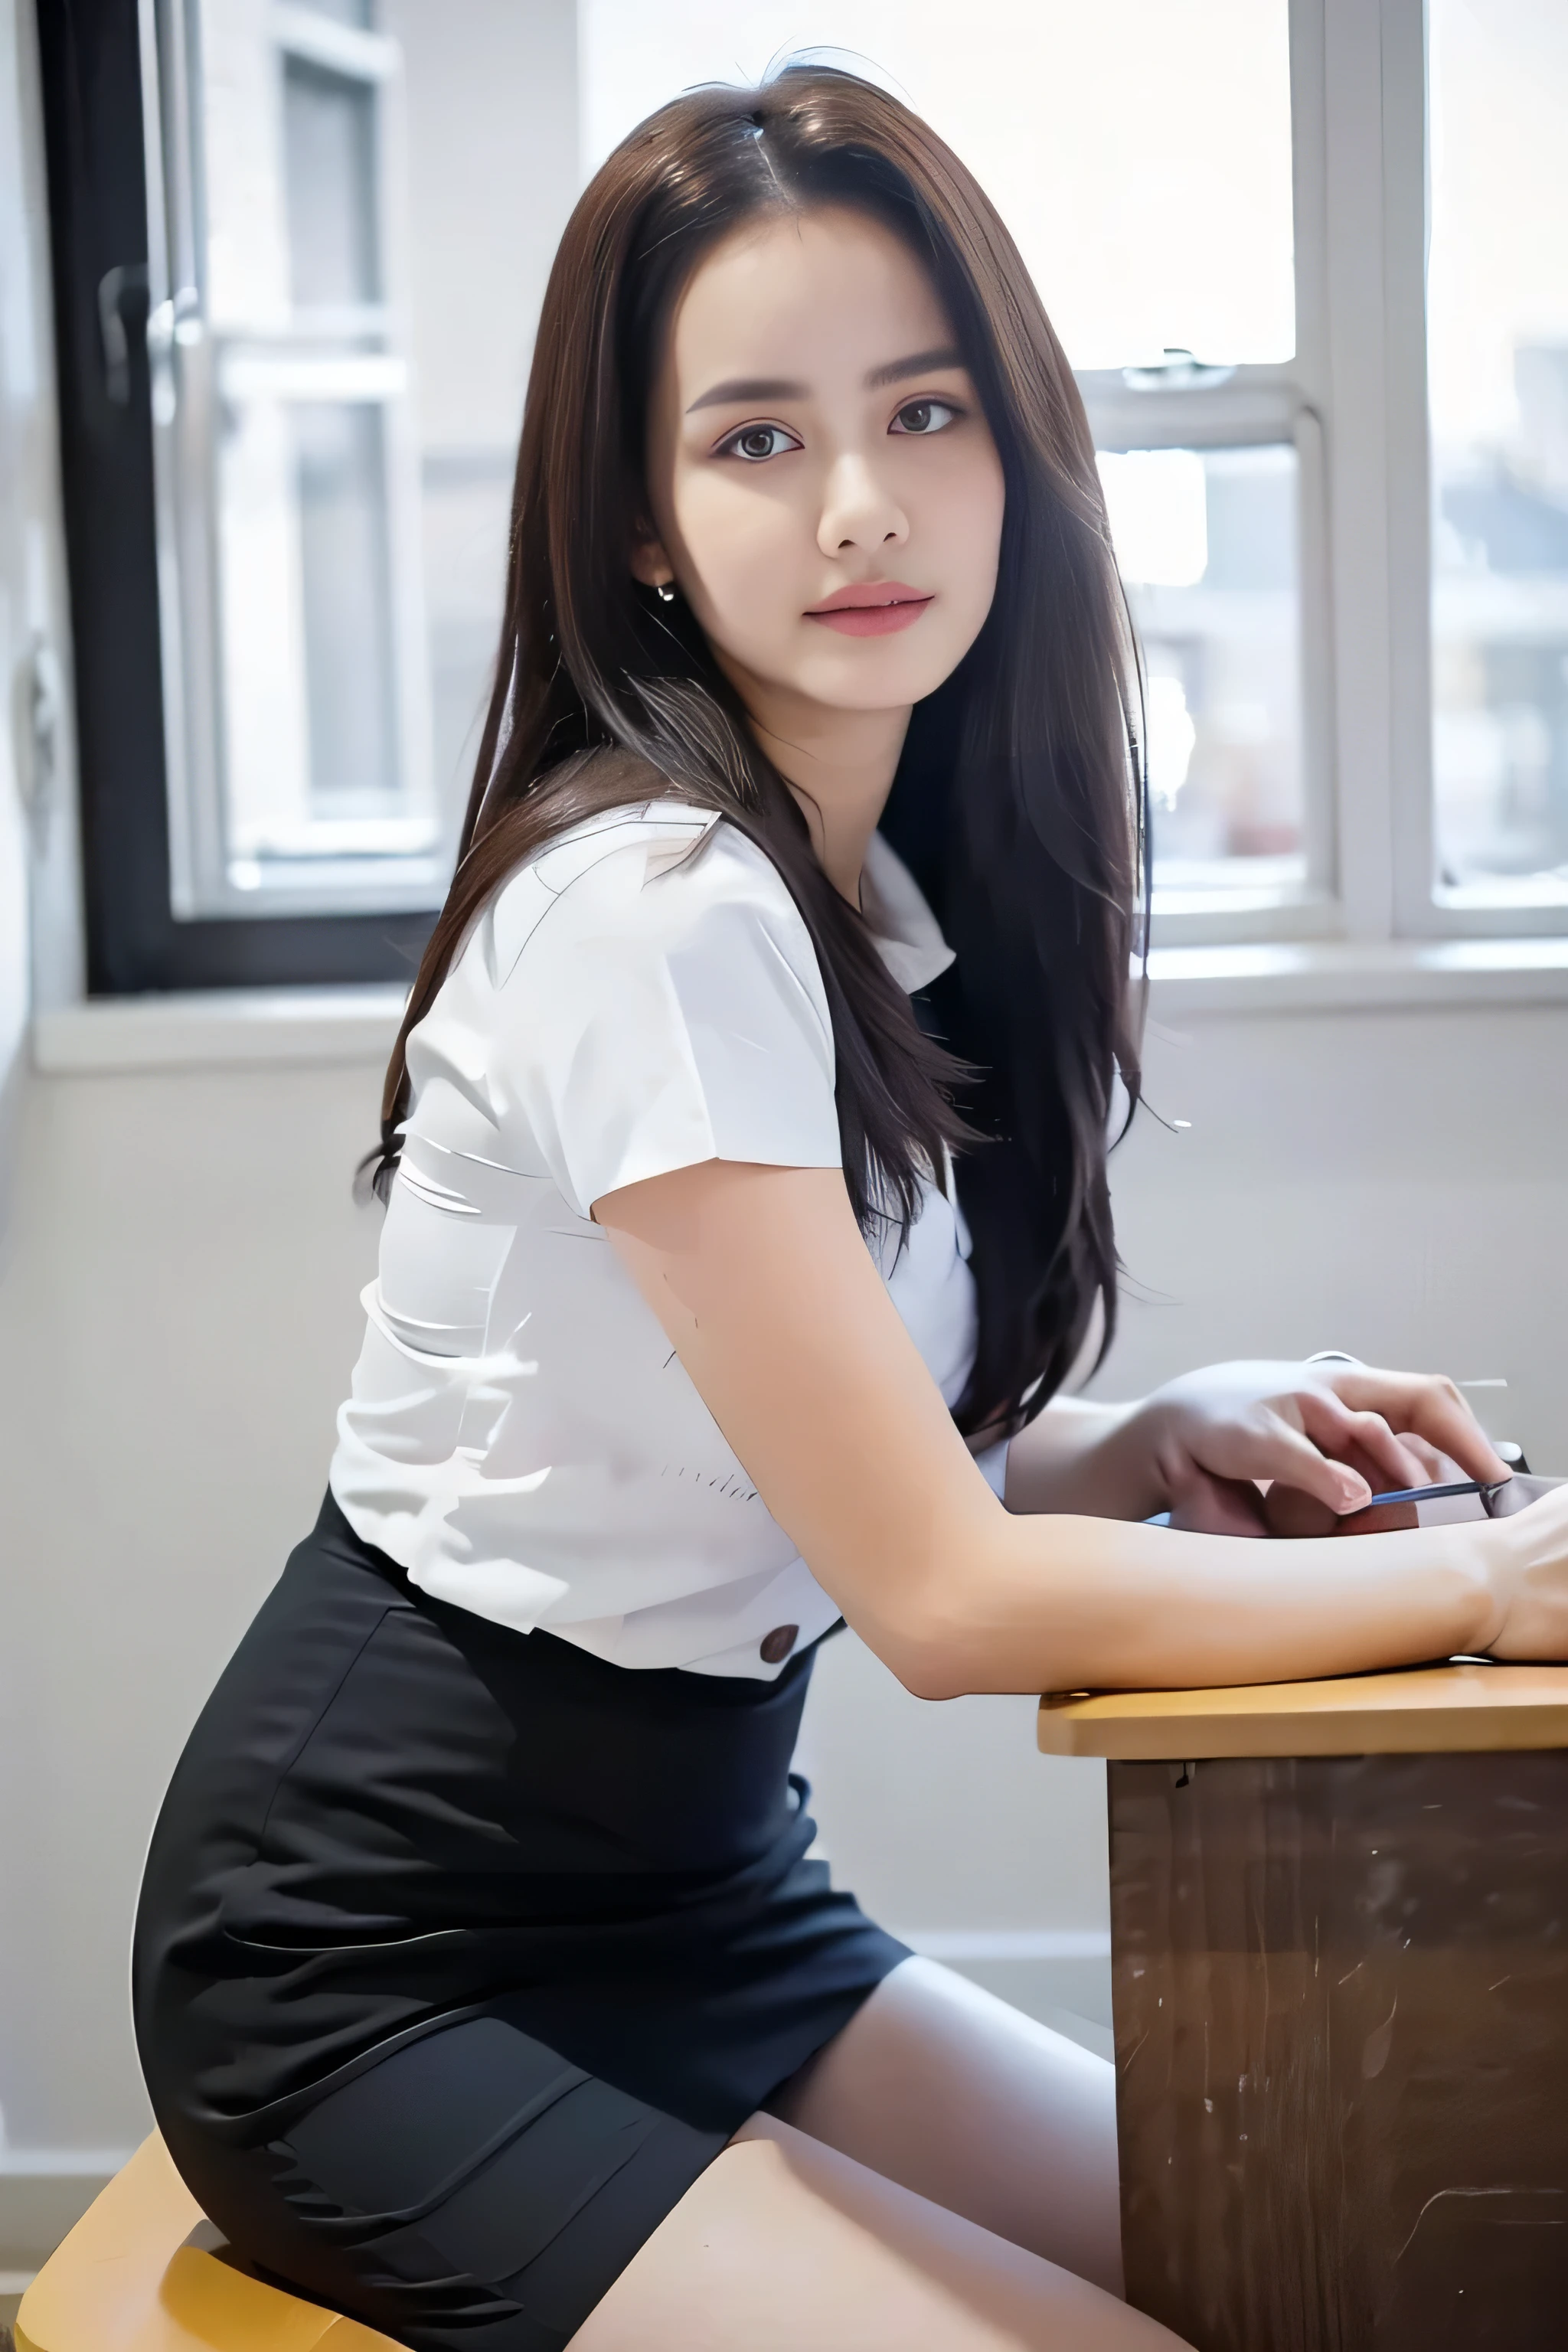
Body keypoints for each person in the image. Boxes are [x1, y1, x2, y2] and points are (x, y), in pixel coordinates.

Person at [132, 65, 1568, 2352]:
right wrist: (1482, 1580)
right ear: (640, 522)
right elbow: (938, 1597)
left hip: (716, 1900)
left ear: (1018, 448)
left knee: (1325, 2251)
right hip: (381, 1967)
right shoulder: (655, 910)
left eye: (926, 412)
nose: (864, 507)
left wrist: (1149, 1433)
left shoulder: (863, 899)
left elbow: (814, 1470)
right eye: (758, 440)